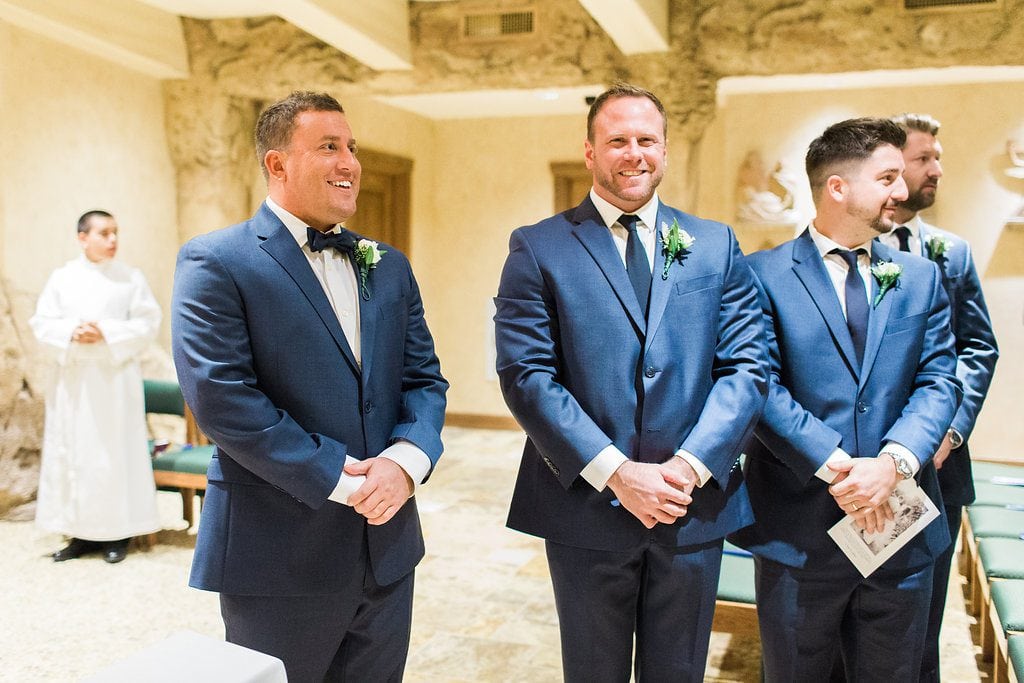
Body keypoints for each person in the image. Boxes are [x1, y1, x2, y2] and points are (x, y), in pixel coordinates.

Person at [494, 83, 768, 682]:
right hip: (587, 507)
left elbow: (748, 368)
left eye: (647, 140)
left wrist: (689, 468)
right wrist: (618, 471)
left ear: (665, 151)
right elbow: (526, 375)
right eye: (617, 140)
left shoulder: (716, 245)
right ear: (590, 152)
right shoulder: (538, 247)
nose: (634, 153)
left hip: (692, 504)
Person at [171, 91, 447, 682]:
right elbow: (223, 400)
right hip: (278, 553)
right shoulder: (217, 261)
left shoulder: (388, 264)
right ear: (277, 164)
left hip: (388, 546)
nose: (350, 162)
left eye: (352, 148)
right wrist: (341, 481)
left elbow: (424, 380)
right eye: (329, 147)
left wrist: (404, 463)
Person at [729, 117, 962, 681]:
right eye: (887, 177)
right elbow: (757, 382)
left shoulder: (920, 277)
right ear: (838, 187)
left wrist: (892, 464)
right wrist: (838, 468)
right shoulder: (759, 275)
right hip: (798, 531)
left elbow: (940, 380)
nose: (902, 190)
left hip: (900, 534)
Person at [882, 112, 999, 683]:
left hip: (937, 467)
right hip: (855, 469)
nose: (937, 169)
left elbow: (978, 349)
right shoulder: (839, 253)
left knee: (919, 619)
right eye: (924, 158)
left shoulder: (950, 254)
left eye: (938, 157)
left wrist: (949, 432)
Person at [30, 210, 161, 564]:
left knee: (113, 455)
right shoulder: (62, 278)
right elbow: (42, 323)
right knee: (76, 455)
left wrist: (106, 332)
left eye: (116, 232)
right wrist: (71, 332)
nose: (113, 240)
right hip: (75, 383)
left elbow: (149, 322)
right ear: (82, 237)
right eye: (104, 233)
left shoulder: (129, 278)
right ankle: (79, 534)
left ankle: (119, 533)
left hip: (114, 382)